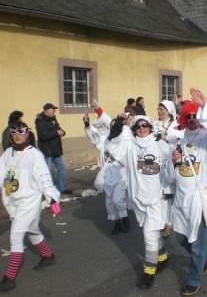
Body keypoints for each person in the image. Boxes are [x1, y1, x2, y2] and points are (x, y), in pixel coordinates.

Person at [170, 89, 207, 296]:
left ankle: (194, 279)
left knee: (195, 245)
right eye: (189, 117)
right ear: (183, 119)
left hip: (201, 199)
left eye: (195, 116)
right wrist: (173, 160)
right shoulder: (181, 139)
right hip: (183, 198)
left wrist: (206, 107)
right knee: (180, 238)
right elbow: (172, 172)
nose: (192, 120)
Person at [107, 114, 172, 290]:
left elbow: (170, 169)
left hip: (156, 199)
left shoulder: (161, 145)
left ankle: (149, 272)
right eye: (138, 126)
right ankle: (163, 258)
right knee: (150, 232)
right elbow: (112, 145)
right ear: (134, 129)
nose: (142, 128)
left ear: (150, 127)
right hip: (137, 199)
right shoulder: (129, 146)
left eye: (145, 125)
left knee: (149, 235)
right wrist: (119, 124)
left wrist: (169, 191)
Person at [0, 122, 61, 291]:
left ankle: (9, 278)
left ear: (27, 134)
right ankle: (48, 256)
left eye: (21, 131)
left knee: (16, 235)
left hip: (29, 201)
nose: (17, 134)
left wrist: (53, 199)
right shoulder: (8, 153)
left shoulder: (34, 154)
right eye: (14, 132)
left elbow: (44, 178)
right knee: (32, 230)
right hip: (13, 201)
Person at [84, 104, 131, 235]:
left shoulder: (125, 141)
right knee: (110, 202)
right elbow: (94, 137)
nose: (115, 127)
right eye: (113, 125)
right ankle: (117, 223)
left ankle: (125, 218)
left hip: (121, 173)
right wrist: (87, 126)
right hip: (107, 174)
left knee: (118, 199)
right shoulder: (105, 140)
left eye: (118, 125)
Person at [152, 100, 184, 237]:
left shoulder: (177, 125)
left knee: (171, 191)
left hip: (172, 159)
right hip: (157, 159)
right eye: (158, 109)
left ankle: (172, 221)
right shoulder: (154, 124)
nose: (159, 111)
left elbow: (181, 140)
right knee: (161, 192)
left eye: (162, 109)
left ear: (169, 110)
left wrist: (168, 140)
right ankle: (163, 221)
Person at [35, 103, 72, 195]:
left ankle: (61, 188)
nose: (54, 111)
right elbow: (43, 136)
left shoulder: (53, 119)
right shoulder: (40, 121)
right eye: (53, 109)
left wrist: (63, 132)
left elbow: (59, 129)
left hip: (56, 149)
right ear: (47, 111)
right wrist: (56, 132)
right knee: (46, 171)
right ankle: (46, 191)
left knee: (62, 168)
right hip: (47, 150)